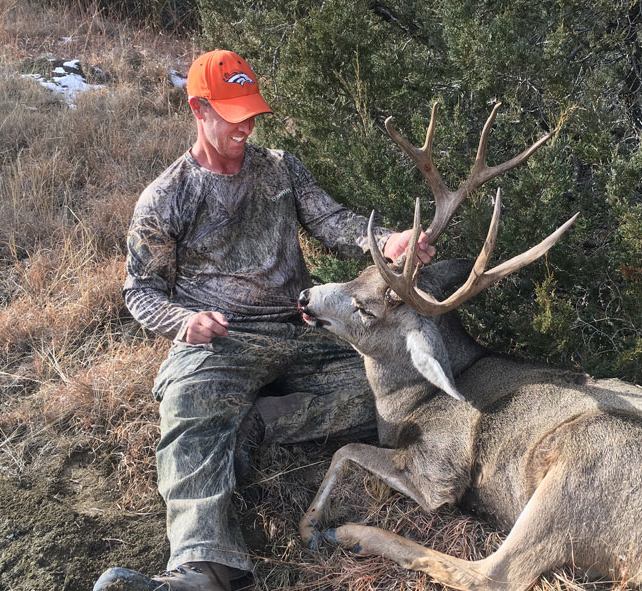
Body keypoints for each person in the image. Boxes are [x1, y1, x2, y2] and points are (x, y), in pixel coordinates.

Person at [93, 49, 433, 591]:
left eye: (250, 113)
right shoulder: (165, 198)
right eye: (232, 116)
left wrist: (386, 241)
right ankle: (205, 568)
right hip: (222, 342)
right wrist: (184, 323)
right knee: (188, 407)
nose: (245, 127)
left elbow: (332, 221)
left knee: (399, 387)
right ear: (199, 108)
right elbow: (140, 291)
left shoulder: (279, 166)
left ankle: (257, 424)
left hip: (303, 329)